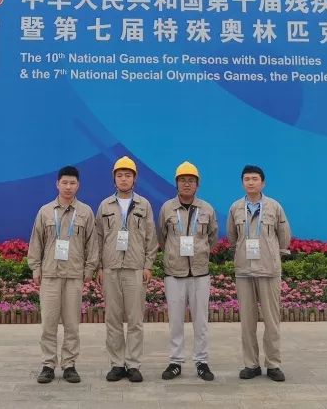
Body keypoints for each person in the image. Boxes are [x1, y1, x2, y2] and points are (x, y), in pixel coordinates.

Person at [27, 165, 100, 384]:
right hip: (50, 275)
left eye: (72, 183)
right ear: (57, 184)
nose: (68, 187)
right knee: (48, 323)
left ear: (78, 185)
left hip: (74, 276)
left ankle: (69, 364)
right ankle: (48, 365)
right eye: (65, 183)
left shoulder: (86, 212)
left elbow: (92, 244)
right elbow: (36, 242)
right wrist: (36, 268)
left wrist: (90, 269)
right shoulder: (45, 211)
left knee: (72, 324)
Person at [226, 165, 291, 382]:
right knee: (247, 321)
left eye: (255, 179)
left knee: (271, 320)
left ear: (263, 183)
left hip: (268, 270)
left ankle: (273, 364)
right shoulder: (235, 208)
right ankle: (251, 364)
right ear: (242, 183)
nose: (251, 182)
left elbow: (284, 235)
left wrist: (273, 255)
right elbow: (232, 237)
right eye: (247, 179)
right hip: (244, 270)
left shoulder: (274, 207)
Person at [96, 156, 158, 382]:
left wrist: (148, 265)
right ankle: (116, 364)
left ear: (134, 179)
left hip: (135, 269)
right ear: (114, 179)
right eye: (120, 175)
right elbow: (98, 238)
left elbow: (151, 238)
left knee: (135, 320)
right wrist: (99, 266)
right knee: (112, 319)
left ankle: (133, 364)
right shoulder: (105, 205)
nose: (124, 179)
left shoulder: (144, 205)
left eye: (128, 175)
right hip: (111, 269)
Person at [156, 161, 219, 381]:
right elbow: (162, 237)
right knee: (175, 321)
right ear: (176, 183)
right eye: (182, 180)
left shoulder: (207, 209)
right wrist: (174, 254)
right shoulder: (167, 208)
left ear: (197, 184)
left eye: (191, 180)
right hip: (175, 272)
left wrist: (200, 252)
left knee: (201, 321)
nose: (186, 184)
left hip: (200, 273)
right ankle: (175, 362)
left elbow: (212, 236)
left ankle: (202, 361)